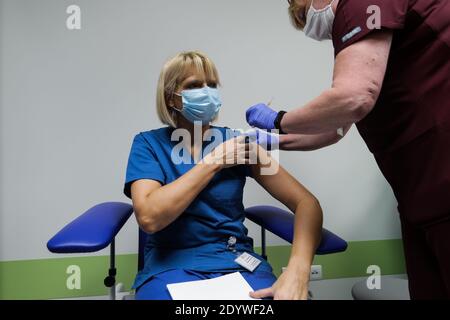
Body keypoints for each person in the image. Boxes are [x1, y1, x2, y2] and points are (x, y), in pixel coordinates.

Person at [246, 0, 450, 299]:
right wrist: (277, 139)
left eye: (303, 12)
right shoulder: (150, 145)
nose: (310, 25)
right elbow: (335, 128)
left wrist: (279, 120)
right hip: (420, 195)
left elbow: (354, 97)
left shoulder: (362, 4)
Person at [123, 51, 323, 300]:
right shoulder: (148, 144)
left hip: (235, 260)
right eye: (194, 85)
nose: (207, 92)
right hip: (170, 265)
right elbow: (150, 218)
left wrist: (298, 270)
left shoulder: (238, 143)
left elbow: (307, 203)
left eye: (212, 85)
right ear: (171, 99)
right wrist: (215, 161)